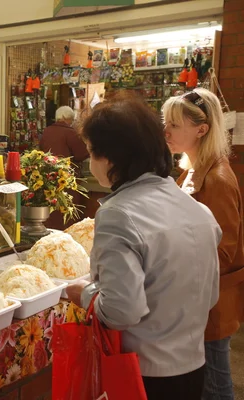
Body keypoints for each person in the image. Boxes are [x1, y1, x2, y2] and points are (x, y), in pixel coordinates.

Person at [66, 94, 221, 400]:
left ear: (112, 157)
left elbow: (121, 311)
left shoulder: (117, 214)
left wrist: (82, 293)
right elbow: (210, 294)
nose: (90, 163)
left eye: (91, 154)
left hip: (144, 374)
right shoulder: (196, 210)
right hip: (193, 365)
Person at [162, 88, 244, 400]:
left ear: (202, 129)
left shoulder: (217, 179)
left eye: (174, 125)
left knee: (216, 384)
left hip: (211, 302)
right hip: (196, 299)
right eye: (165, 122)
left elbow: (223, 252)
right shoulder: (193, 169)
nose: (166, 131)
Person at [39, 106, 90, 230]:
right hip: (66, 180)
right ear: (68, 119)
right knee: (66, 215)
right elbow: (81, 153)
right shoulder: (71, 133)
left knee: (52, 215)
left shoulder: (47, 131)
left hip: (48, 179)